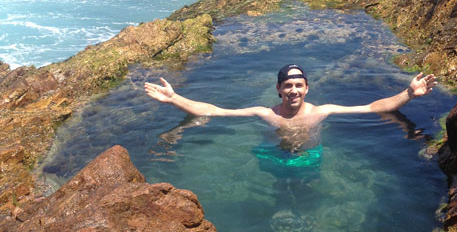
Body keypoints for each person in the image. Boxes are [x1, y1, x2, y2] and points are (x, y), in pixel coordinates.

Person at [144, 64, 437, 152]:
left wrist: (408, 93)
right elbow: (215, 111)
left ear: (307, 88)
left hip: (310, 158)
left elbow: (373, 108)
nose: (293, 90)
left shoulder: (322, 111)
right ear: (279, 89)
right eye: (288, 85)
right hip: (271, 156)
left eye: (299, 85)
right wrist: (174, 99)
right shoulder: (265, 113)